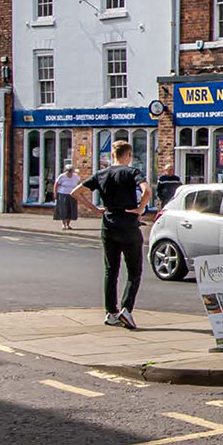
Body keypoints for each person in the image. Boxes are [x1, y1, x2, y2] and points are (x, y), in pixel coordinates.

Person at [77, 139, 150, 330]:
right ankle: (126, 309)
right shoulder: (133, 172)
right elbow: (147, 190)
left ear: (112, 155)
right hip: (128, 223)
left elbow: (76, 193)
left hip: (108, 223)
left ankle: (111, 312)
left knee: (111, 270)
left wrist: (95, 210)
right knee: (134, 272)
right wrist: (140, 209)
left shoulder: (101, 174)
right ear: (129, 155)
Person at [51, 163, 82, 230]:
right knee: (63, 209)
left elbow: (79, 185)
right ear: (65, 171)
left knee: (71, 210)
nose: (69, 173)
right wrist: (55, 194)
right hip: (62, 194)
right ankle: (63, 224)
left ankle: (68, 224)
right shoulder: (62, 176)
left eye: (70, 171)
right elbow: (56, 185)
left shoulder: (76, 177)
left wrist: (79, 194)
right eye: (68, 171)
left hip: (72, 195)